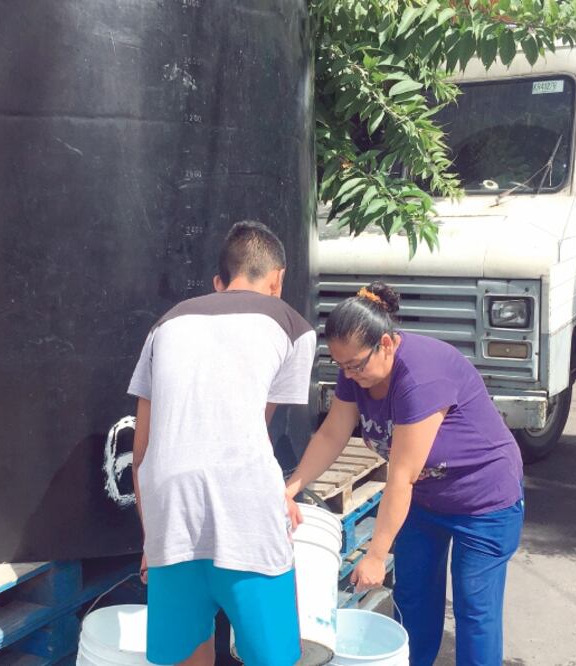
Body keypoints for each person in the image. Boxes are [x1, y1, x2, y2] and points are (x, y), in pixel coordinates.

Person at [285, 281, 524, 666]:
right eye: (341, 365)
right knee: (413, 602)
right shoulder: (356, 368)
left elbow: (402, 476)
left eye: (356, 365)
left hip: (484, 501)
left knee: (475, 612)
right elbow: (331, 433)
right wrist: (290, 488)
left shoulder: (420, 377)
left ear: (387, 343)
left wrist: (376, 554)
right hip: (427, 501)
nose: (349, 374)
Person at [128, 221, 317, 666]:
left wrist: (150, 536)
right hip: (245, 508)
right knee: (271, 657)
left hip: (169, 505)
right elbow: (254, 428)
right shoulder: (293, 326)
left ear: (218, 283)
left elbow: (142, 449)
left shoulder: (165, 324)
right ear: (278, 279)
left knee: (184, 654)